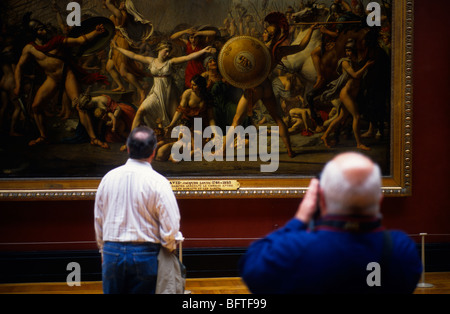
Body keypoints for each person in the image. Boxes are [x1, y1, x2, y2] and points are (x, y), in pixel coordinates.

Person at [239, 152, 422, 294]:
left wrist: (300, 218)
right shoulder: (401, 250)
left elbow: (252, 267)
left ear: (321, 199)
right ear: (379, 201)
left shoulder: (294, 250)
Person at [94, 126, 182, 294]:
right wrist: (168, 247)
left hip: (112, 251)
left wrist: (104, 249)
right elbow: (171, 226)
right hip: (146, 254)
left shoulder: (108, 178)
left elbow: (99, 219)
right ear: (154, 151)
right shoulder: (158, 182)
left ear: (127, 149)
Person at [112, 40, 215, 131]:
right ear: (159, 49)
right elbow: (133, 55)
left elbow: (187, 57)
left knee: (174, 119)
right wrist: (117, 48)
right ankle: (131, 140)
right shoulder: (150, 61)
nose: (167, 53)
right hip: (155, 93)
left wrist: (203, 51)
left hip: (169, 93)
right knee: (141, 111)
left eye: (168, 51)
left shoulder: (170, 62)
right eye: (165, 50)